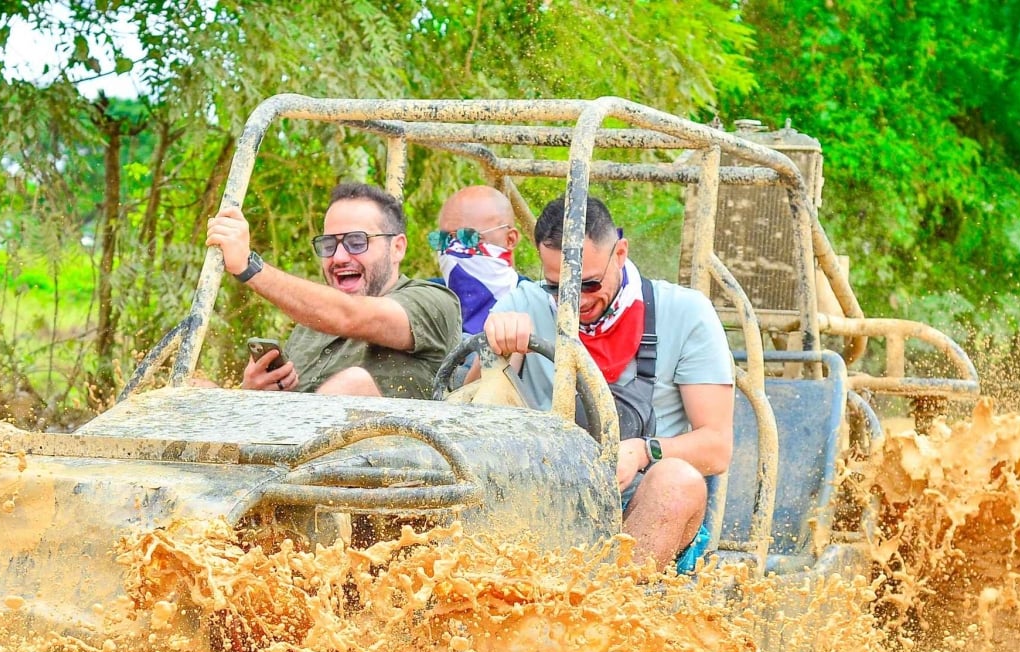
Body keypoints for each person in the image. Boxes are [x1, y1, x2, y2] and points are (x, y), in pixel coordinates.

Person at [483, 196, 734, 569]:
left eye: (588, 283)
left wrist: (642, 451)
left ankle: (610, 610)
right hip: (537, 507)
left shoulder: (685, 313)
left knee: (677, 480)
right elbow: (469, 412)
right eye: (558, 287)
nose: (575, 301)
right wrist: (497, 348)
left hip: (640, 515)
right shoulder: (523, 305)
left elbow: (716, 448)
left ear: (620, 253)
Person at [206, 181, 460, 398]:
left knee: (352, 384)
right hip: (289, 448)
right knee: (195, 387)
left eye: (356, 241)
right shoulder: (311, 326)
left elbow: (350, 316)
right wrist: (254, 392)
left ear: (397, 248)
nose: (338, 257)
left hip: (389, 452)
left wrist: (249, 267)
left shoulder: (435, 302)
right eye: (329, 244)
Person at [431, 185, 524, 334]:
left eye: (469, 238)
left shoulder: (535, 305)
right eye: (445, 239)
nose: (452, 250)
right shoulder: (428, 298)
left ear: (510, 240)